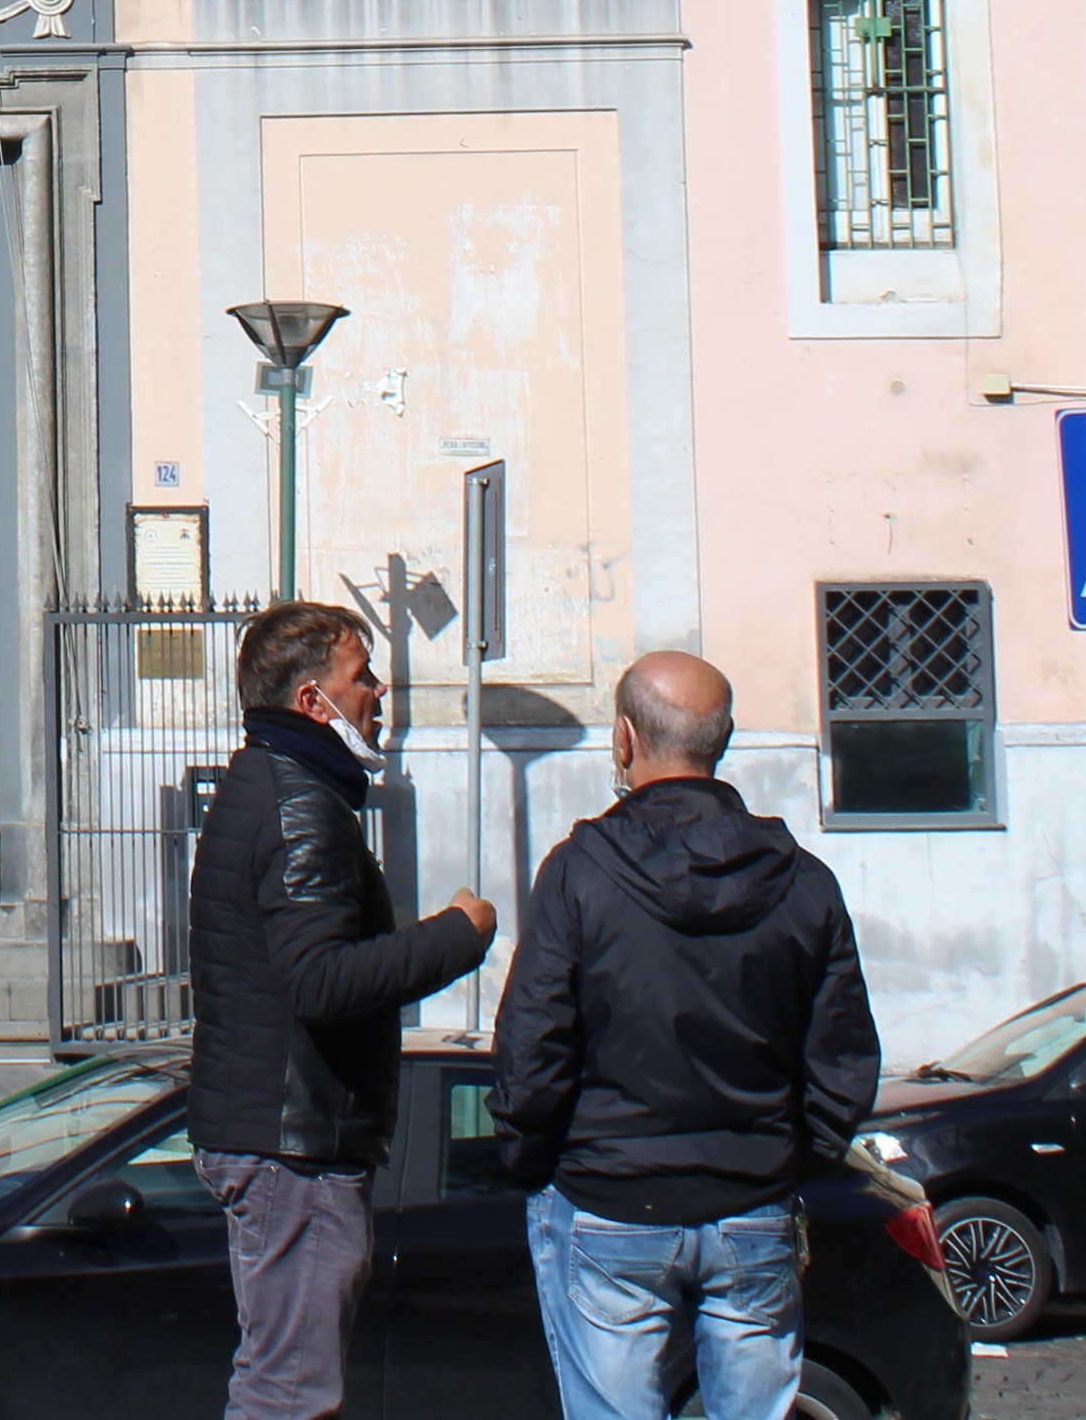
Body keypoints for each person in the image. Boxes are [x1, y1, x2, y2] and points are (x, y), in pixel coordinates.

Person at [493, 653, 880, 1420]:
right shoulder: (805, 880)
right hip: (751, 1199)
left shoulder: (577, 873)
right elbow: (842, 1061)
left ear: (623, 738)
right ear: (723, 738)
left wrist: (533, 1157)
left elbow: (532, 1045)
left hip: (608, 1192)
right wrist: (787, 1159)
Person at [190, 600, 496, 1420]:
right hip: (294, 1145)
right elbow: (319, 980)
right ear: (310, 702)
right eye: (361, 677)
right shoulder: (297, 805)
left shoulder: (274, 785)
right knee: (290, 1392)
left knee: (283, 1380)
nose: (379, 692)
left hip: (278, 1131)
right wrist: (454, 937)